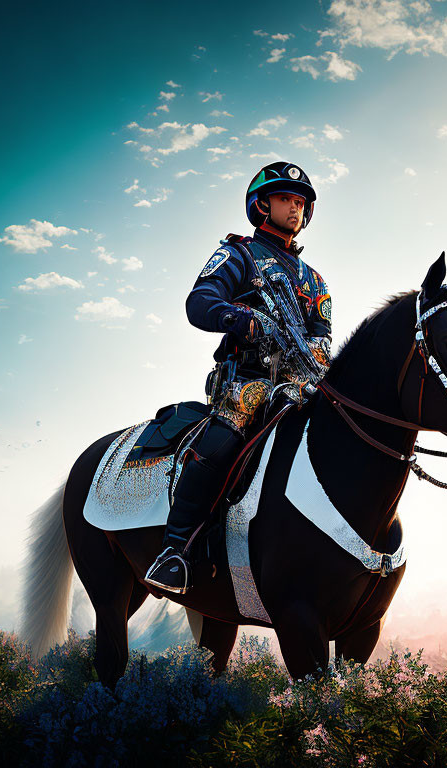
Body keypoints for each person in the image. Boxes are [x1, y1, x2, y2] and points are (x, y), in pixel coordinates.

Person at [144, 161, 332, 593]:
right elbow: (200, 301)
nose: (295, 207)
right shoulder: (238, 254)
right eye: (286, 198)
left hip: (301, 383)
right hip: (246, 380)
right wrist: (244, 318)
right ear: (262, 204)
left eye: (301, 202)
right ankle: (174, 552)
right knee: (224, 432)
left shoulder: (316, 281)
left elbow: (322, 338)